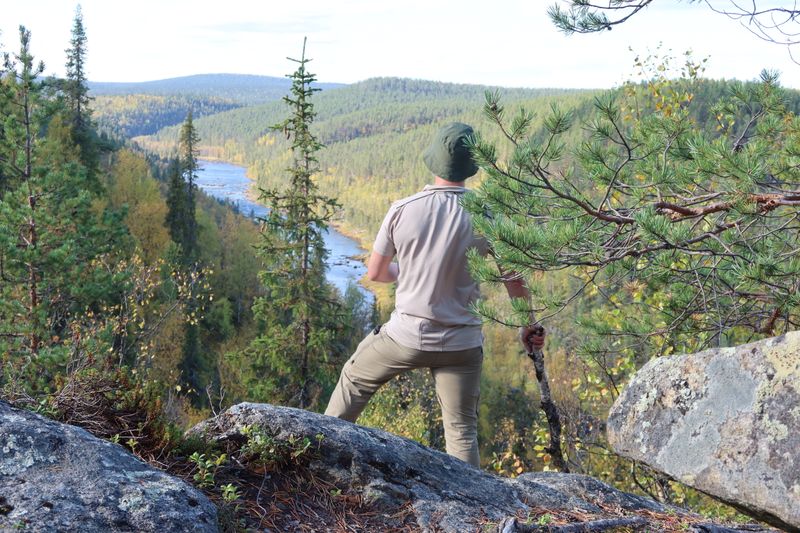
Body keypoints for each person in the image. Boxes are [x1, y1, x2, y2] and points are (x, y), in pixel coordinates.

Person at [324, 122, 545, 467]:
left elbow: (377, 273)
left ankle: (317, 457)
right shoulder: (489, 215)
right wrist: (527, 325)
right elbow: (514, 280)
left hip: (406, 337)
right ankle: (474, 511)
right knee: (461, 431)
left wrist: (407, 273)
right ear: (472, 165)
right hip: (462, 345)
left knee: (354, 382)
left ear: (433, 160)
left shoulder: (404, 209)